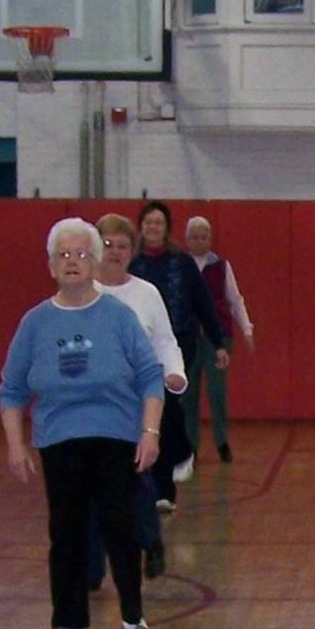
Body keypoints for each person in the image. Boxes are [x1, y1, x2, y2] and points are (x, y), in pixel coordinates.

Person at [0, 218, 166, 629]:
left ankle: (134, 621)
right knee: (66, 532)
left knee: (120, 529)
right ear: (51, 264)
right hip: (59, 441)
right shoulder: (35, 322)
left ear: (95, 261)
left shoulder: (119, 316)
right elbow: (11, 389)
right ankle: (65, 624)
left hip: (115, 438)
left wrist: (149, 433)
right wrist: (16, 445)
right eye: (64, 255)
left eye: (81, 254)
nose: (72, 262)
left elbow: (151, 377)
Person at [86, 213, 186, 583]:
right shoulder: (82, 292)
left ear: (133, 252)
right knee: (90, 488)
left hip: (133, 403)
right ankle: (91, 568)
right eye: (107, 245)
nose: (114, 252)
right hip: (88, 406)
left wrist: (175, 374)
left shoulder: (146, 294)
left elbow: (164, 341)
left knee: (136, 479)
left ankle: (150, 540)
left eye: (122, 246)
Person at [130, 201, 228, 507]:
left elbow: (203, 303)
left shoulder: (182, 263)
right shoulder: (132, 265)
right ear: (141, 227)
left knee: (168, 406)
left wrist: (218, 342)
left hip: (178, 345)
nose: (153, 228)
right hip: (139, 349)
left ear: (167, 229)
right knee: (152, 416)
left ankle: (168, 480)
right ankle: (159, 478)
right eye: (148, 222)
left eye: (158, 223)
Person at [184, 215, 255, 464]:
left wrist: (247, 330)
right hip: (188, 338)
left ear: (210, 239)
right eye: (195, 237)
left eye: (204, 237)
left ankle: (221, 441)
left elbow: (235, 300)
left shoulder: (222, 266)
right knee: (187, 395)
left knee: (217, 392)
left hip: (218, 338)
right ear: (187, 239)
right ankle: (190, 446)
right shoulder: (181, 265)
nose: (200, 241)